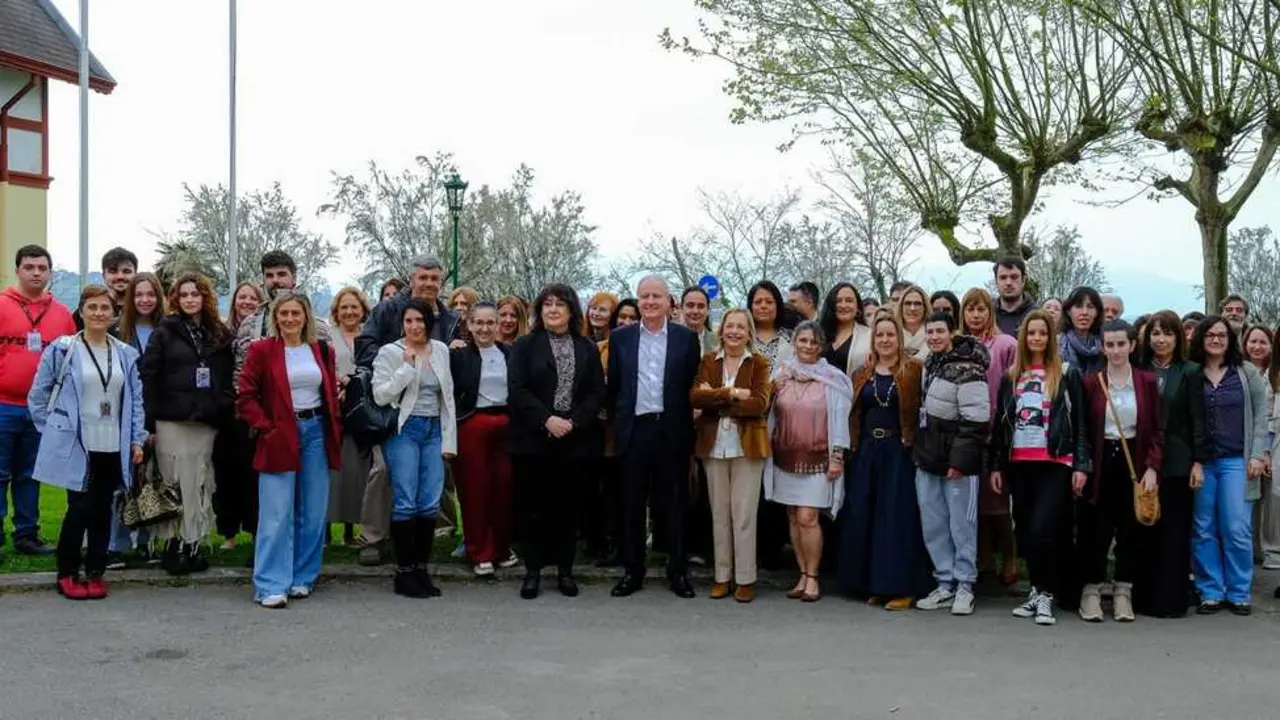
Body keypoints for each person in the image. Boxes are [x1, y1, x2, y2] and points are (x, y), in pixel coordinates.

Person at [28, 285, 145, 600]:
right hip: (78, 442)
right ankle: (67, 571)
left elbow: (135, 401)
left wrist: (136, 439)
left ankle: (95, 570)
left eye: (104, 308)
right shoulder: (63, 350)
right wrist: (53, 431)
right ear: (81, 311)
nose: (98, 313)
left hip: (112, 442)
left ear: (114, 313)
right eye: (92, 307)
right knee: (78, 507)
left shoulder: (125, 354)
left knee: (103, 509)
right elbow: (38, 395)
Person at [236, 292, 342, 608]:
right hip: (280, 433)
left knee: (312, 512)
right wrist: (267, 426)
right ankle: (270, 583)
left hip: (315, 432)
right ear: (276, 317)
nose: (290, 319)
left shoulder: (321, 350)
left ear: (306, 317)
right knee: (276, 512)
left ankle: (302, 577)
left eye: (296, 313)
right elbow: (245, 397)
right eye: (284, 314)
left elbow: (329, 392)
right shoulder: (262, 350)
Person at [989, 310, 1090, 626]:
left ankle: (1047, 594)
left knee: (1043, 529)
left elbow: (1081, 424)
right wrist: (995, 465)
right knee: (1027, 530)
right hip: (1020, 463)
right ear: (1024, 337)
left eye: (1042, 333)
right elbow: (1001, 425)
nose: (1036, 338)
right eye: (1031, 333)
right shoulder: (1012, 375)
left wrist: (1081, 465)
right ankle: (1036, 590)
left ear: (1050, 338)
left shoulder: (1066, 373)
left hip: (1055, 463)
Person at [607, 275, 702, 599]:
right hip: (634, 430)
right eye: (644, 296)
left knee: (674, 504)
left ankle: (678, 572)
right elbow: (616, 387)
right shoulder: (620, 338)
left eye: (656, 297)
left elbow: (690, 385)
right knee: (631, 504)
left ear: (668, 302)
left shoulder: (685, 339)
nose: (650, 302)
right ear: (637, 300)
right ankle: (633, 571)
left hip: (670, 430)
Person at [507, 286, 605, 599]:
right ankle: (533, 571)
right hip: (534, 438)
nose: (552, 310)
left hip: (573, 439)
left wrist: (573, 422)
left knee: (567, 508)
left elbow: (596, 392)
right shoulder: (525, 345)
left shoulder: (586, 347)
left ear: (571, 311)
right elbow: (517, 389)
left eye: (559, 305)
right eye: (547, 304)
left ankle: (565, 570)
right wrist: (546, 420)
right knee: (533, 508)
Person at [141, 272, 234, 575]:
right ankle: (172, 546)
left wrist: (222, 405)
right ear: (175, 300)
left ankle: (193, 544)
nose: (190, 299)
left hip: (206, 421)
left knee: (200, 484)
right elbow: (149, 378)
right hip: (172, 420)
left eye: (196, 294)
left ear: (205, 297)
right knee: (174, 483)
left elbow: (229, 376)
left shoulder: (219, 333)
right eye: (184, 295)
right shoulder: (164, 332)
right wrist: (149, 424)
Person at [838, 311, 930, 609]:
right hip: (866, 451)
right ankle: (874, 583)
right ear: (873, 340)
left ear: (899, 338)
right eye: (880, 335)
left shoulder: (914, 370)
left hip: (898, 452)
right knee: (865, 516)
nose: (885, 340)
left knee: (896, 520)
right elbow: (853, 413)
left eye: (891, 334)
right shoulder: (862, 373)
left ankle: (901, 586)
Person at [1077, 320, 1163, 622]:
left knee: (1130, 527)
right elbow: (1083, 430)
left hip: (1134, 460)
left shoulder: (1147, 382)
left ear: (1132, 345)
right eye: (1110, 344)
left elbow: (1156, 429)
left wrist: (1152, 467)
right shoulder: (1091, 382)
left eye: (1121, 344)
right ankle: (1091, 592)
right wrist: (1082, 467)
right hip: (1101, 459)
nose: (1115, 350)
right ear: (1102, 347)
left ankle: (1124, 591)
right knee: (1095, 528)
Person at [371, 298, 458, 598]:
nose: (414, 326)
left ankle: (421, 568)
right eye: (409, 321)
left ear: (429, 322)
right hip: (405, 430)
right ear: (402, 324)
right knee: (406, 500)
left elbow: (448, 398)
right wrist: (406, 369)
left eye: (420, 320)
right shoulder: (390, 352)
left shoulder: (442, 351)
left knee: (429, 502)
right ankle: (404, 572)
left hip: (434, 428)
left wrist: (449, 440)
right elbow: (381, 396)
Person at [764, 320, 852, 603]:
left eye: (813, 342)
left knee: (808, 518)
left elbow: (840, 421)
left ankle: (813, 577)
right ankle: (801, 575)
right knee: (792, 516)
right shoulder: (781, 375)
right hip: (785, 457)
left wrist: (837, 457)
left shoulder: (833, 379)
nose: (807, 346)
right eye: (802, 341)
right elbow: (769, 414)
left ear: (821, 346)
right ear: (795, 343)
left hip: (818, 460)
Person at [1188, 316, 1269, 615]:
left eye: (1222, 335)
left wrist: (1257, 454)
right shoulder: (1193, 373)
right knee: (1203, 528)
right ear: (1201, 339)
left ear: (1231, 339)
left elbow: (1261, 414)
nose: (1216, 340)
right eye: (1210, 335)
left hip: (1237, 460)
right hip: (1203, 463)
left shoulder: (1245, 372)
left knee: (1236, 527)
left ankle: (1238, 591)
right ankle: (1210, 590)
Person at [691, 308, 773, 602]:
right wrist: (733, 393)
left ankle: (746, 578)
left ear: (749, 332)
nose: (735, 332)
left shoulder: (760, 363)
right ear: (721, 330)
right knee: (719, 514)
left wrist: (716, 396)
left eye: (741, 327)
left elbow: (759, 404)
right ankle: (722, 576)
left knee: (744, 515)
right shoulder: (708, 361)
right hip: (713, 446)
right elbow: (695, 396)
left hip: (747, 447)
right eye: (730, 326)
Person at [0, 245, 75, 560]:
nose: (35, 273)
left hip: (42, 410)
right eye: (29, 267)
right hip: (3, 404)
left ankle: (27, 534)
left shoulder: (61, 314)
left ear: (50, 273)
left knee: (31, 474)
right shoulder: (2, 306)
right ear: (17, 270)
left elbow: (71, 361)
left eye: (42, 268)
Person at [913, 310, 989, 616]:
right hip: (928, 456)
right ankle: (944, 582)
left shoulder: (970, 368)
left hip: (958, 463)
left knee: (962, 525)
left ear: (952, 332)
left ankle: (965, 585)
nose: (934, 337)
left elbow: (976, 421)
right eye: (929, 332)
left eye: (939, 332)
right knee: (934, 524)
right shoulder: (929, 364)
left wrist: (959, 461)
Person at [1134, 310, 1208, 618]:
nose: (1160, 339)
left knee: (1176, 532)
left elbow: (1198, 420)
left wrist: (1198, 462)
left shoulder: (1190, 371)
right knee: (1147, 529)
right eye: (1155, 333)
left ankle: (1172, 599)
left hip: (1179, 461)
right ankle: (1144, 598)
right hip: (1144, 460)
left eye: (1167, 333)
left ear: (1178, 337)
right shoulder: (1138, 369)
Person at [450, 302, 519, 576]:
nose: (484, 328)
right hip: (472, 424)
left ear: (497, 325)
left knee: (503, 489)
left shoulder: (510, 353)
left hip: (506, 424)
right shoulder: (459, 355)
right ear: (469, 325)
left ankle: (502, 548)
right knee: (475, 490)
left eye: (490, 322)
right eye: (478, 322)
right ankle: (479, 552)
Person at [960, 288, 1019, 587]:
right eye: (970, 309)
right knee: (975, 503)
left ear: (990, 311)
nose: (975, 315)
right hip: (967, 431)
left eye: (981, 309)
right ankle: (983, 558)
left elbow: (1014, 386)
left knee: (998, 503)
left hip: (998, 429)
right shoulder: (958, 346)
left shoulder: (1006, 344)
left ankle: (1009, 555)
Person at [106, 272, 167, 566]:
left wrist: (151, 425)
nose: (145, 300)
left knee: (150, 482)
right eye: (139, 294)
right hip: (120, 418)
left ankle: (146, 542)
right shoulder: (116, 332)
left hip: (156, 417)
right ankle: (115, 544)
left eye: (150, 294)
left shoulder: (167, 330)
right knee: (121, 484)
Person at [213, 280, 267, 551]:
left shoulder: (264, 331)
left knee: (254, 476)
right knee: (227, 475)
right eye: (242, 297)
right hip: (227, 413)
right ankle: (229, 533)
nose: (247, 301)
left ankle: (257, 529)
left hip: (256, 411)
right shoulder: (222, 332)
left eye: (253, 298)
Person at [234, 251, 332, 390]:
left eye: (281, 274)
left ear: (294, 279)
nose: (275, 280)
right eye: (269, 275)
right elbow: (240, 375)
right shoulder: (249, 325)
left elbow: (330, 373)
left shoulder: (318, 327)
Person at [328, 287, 374, 546]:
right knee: (334, 470)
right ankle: (325, 531)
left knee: (356, 471)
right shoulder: (328, 336)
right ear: (336, 311)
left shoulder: (369, 337)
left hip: (361, 410)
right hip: (335, 407)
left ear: (362, 310)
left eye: (354, 307)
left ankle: (350, 530)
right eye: (344, 307)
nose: (349, 311)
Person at [357, 256, 460, 368]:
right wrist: (396, 361)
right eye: (423, 278)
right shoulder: (387, 310)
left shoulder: (452, 319)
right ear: (411, 281)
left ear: (441, 283)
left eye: (434, 278)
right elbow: (364, 348)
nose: (429, 283)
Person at [72, 247, 136, 329]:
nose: (120, 276)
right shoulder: (86, 313)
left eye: (127, 271)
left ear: (135, 275)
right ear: (103, 275)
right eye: (113, 271)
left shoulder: (144, 309)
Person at [819, 282, 871, 374]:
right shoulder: (818, 334)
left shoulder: (870, 336)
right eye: (838, 301)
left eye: (849, 300)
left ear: (858, 307)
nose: (843, 305)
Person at [748, 280, 795, 367]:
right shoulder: (743, 338)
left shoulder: (792, 338)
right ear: (751, 306)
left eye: (769, 302)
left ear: (778, 305)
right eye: (758, 302)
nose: (763, 306)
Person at [1059, 286, 1105, 374]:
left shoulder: (1105, 345)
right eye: (1078, 306)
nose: (1084, 312)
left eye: (1090, 307)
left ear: (1097, 312)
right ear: (1068, 311)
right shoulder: (1056, 344)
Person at [994, 257, 1036, 336]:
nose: (1008, 283)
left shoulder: (1037, 316)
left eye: (1014, 277)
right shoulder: (987, 316)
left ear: (1023, 280)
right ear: (996, 281)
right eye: (1003, 278)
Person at [895, 284, 930, 359]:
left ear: (925, 307)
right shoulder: (891, 332)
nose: (912, 308)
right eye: (907, 303)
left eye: (917, 304)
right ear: (901, 307)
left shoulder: (933, 334)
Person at [680, 286, 719, 353]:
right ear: (681, 308)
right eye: (690, 305)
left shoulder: (719, 342)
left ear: (708, 310)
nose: (695, 311)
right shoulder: (670, 340)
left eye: (701, 306)